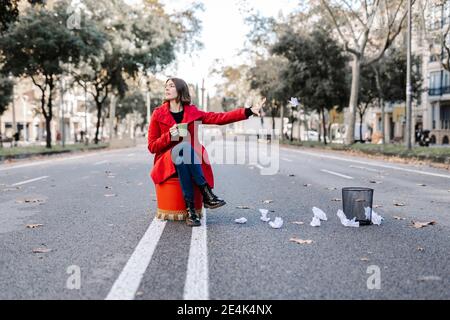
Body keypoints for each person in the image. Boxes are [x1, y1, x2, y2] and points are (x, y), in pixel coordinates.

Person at [148, 78, 265, 227]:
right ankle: (207, 194)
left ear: (180, 90)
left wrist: (248, 111)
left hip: (188, 161)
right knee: (183, 149)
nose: (167, 88)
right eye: (166, 86)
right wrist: (169, 136)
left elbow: (219, 118)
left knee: (184, 156)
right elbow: (152, 147)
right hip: (166, 162)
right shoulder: (158, 114)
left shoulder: (193, 112)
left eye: (171, 86)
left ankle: (191, 212)